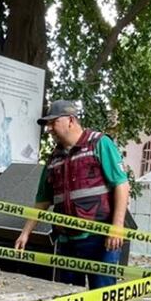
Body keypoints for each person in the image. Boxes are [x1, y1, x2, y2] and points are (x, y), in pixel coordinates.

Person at [14, 100, 129, 289]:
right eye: (47, 124)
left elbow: (121, 185)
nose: (49, 129)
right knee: (68, 297)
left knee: (101, 299)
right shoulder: (54, 159)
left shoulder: (99, 144)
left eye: (53, 122)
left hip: (100, 239)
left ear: (70, 120)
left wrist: (117, 227)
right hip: (67, 241)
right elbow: (42, 200)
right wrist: (25, 233)